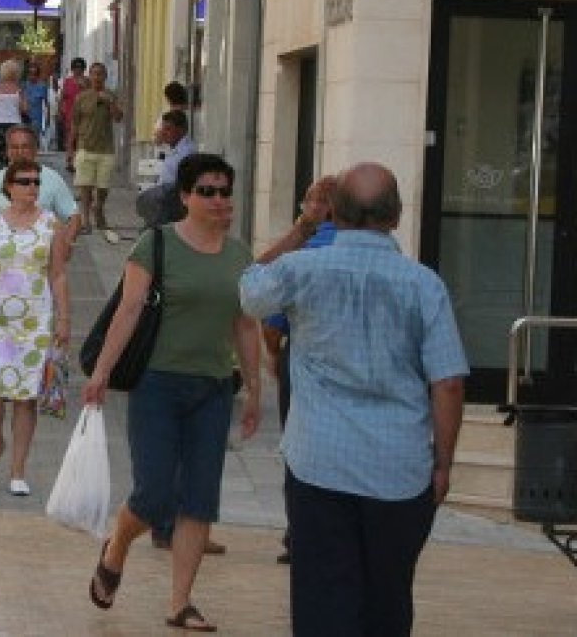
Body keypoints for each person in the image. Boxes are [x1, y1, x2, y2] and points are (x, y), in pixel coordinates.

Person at [240, 163, 467, 636]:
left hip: (319, 464)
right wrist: (442, 462)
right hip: (399, 471)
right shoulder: (424, 285)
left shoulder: (300, 269)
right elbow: (447, 383)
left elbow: (249, 292)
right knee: (388, 597)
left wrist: (303, 226)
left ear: (334, 216)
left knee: (323, 597)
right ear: (398, 215)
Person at [83, 153, 261, 633]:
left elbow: (246, 326)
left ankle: (180, 602)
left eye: (225, 190)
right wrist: (100, 372)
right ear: (185, 196)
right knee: (155, 495)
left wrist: (256, 389)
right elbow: (128, 310)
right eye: (207, 190)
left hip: (214, 389)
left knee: (200, 500)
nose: (219, 199)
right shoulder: (155, 245)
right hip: (157, 385)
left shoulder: (240, 255)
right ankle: (117, 546)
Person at [0, 160, 71, 497]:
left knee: (26, 397)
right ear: (8, 187)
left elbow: (57, 273)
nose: (31, 188)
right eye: (24, 182)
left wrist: (64, 318)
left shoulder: (52, 225)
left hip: (35, 321)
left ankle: (18, 471)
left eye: (36, 182)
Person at [259, 175, 338, 565]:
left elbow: (269, 315)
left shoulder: (299, 255)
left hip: (304, 361)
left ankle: (300, 534)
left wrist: (273, 357)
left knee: (300, 448)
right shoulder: (381, 255)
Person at [0, 124, 80, 244]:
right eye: (14, 147)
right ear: (7, 151)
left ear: (35, 150)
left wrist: (67, 246)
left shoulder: (53, 179)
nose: (19, 152)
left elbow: (74, 217)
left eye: (25, 147)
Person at [68, 62, 123, 237]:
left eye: (100, 74)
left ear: (105, 77)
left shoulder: (111, 95)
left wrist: (110, 103)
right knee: (85, 187)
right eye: (94, 74)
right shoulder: (81, 98)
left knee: (103, 187)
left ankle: (98, 208)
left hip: (105, 148)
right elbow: (75, 124)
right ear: (89, 76)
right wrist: (71, 148)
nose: (97, 77)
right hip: (85, 146)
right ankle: (86, 220)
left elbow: (118, 118)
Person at [136, 111, 194, 228]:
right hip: (163, 199)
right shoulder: (173, 148)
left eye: (168, 129)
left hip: (172, 203)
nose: (164, 133)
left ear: (181, 131)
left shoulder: (186, 152)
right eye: (163, 129)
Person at [0, 59, 27, 174]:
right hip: (14, 124)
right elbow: (24, 109)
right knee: (13, 154)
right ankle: (12, 177)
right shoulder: (19, 90)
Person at [58, 57, 87, 166]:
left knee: (80, 137)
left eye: (80, 67)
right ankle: (69, 160)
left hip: (83, 114)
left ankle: (78, 160)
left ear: (83, 69)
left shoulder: (87, 81)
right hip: (70, 113)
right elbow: (63, 97)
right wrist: (60, 110)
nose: (77, 70)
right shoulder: (68, 81)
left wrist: (84, 86)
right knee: (70, 137)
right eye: (75, 67)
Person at [23, 62, 51, 139]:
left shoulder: (42, 86)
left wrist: (48, 119)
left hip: (37, 118)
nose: (32, 76)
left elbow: (46, 103)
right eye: (30, 74)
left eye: (34, 74)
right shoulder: (24, 85)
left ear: (38, 75)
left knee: (34, 139)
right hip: (25, 117)